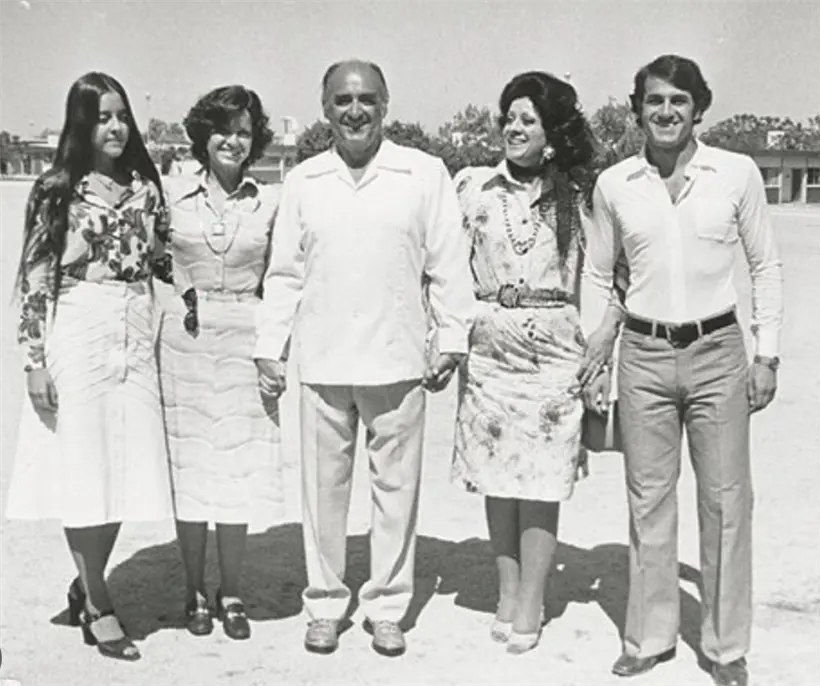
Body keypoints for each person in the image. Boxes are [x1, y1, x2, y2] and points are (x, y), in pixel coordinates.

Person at [253, 59, 475, 657]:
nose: (356, 111)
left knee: (396, 491)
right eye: (344, 100)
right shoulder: (304, 180)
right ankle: (324, 603)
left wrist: (451, 338)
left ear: (386, 105)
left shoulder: (423, 173)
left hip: (399, 360)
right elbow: (284, 274)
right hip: (323, 363)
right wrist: (269, 348)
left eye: (368, 100)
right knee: (323, 495)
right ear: (326, 109)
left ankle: (387, 606)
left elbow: (448, 263)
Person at [581, 55, 782, 686]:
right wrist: (597, 357)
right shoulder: (616, 184)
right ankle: (650, 636)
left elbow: (766, 267)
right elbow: (597, 273)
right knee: (649, 501)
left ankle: (725, 647)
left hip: (720, 353)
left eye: (679, 100)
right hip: (641, 355)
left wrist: (767, 353)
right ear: (636, 107)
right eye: (654, 100)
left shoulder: (736, 174)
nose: (665, 111)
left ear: (700, 107)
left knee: (726, 503)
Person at [450, 71, 627, 655]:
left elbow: (611, 277)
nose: (514, 127)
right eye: (509, 116)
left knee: (542, 478)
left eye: (528, 119)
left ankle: (532, 597)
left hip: (554, 353)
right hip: (490, 350)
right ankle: (506, 590)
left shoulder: (579, 197)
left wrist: (601, 352)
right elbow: (446, 269)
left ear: (551, 132)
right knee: (497, 476)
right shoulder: (472, 186)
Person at [5, 72, 174, 661]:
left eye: (122, 115)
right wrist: (33, 361)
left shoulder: (146, 187)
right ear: (81, 123)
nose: (116, 127)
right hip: (77, 329)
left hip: (134, 329)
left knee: (123, 467)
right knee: (84, 466)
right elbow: (34, 279)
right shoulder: (56, 188)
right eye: (102, 116)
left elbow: (165, 260)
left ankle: (85, 585)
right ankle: (99, 602)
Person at [156, 85, 280, 641]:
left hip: (246, 343)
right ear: (202, 135)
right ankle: (191, 591)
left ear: (256, 141)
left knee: (236, 473)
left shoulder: (271, 200)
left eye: (244, 131)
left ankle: (230, 591)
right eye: (223, 129)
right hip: (184, 341)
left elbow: (281, 282)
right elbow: (150, 262)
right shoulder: (169, 196)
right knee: (190, 474)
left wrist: (273, 353)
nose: (232, 140)